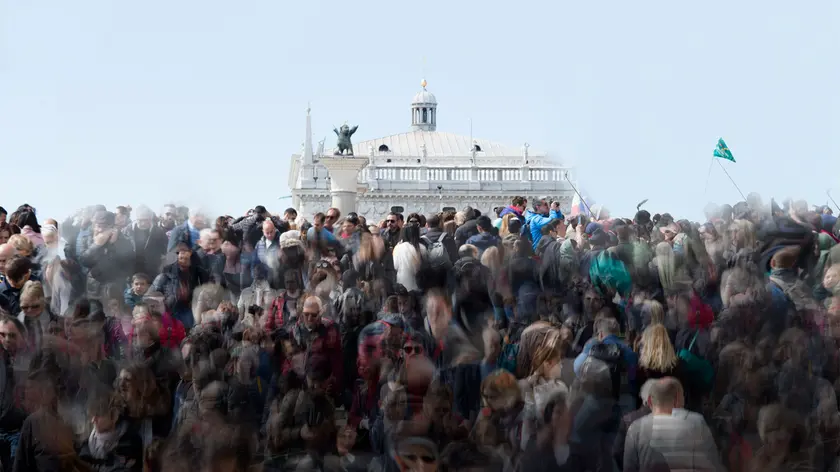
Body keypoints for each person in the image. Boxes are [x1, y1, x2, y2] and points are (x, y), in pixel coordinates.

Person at [623, 377, 722, 471]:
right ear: (678, 400)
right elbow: (712, 463)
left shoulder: (635, 427)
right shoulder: (696, 422)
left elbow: (629, 468)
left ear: (649, 401)